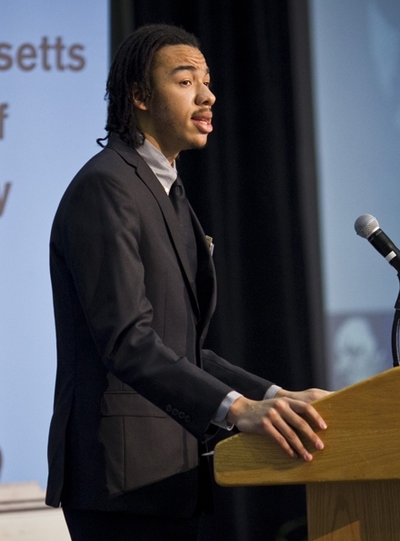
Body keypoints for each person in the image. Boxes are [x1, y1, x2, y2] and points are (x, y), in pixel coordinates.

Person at [45, 24, 328, 541]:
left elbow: (183, 348)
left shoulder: (166, 191)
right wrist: (238, 410)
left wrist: (274, 395)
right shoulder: (107, 187)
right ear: (139, 96)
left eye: (208, 80)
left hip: (166, 477)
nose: (208, 95)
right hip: (121, 482)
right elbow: (129, 342)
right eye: (185, 81)